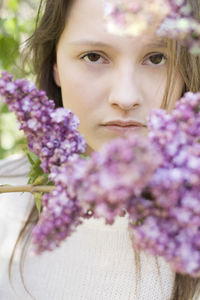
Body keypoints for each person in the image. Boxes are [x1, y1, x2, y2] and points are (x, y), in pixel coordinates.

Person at [0, 0, 200, 299]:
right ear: (55, 65)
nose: (125, 96)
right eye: (94, 56)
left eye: (157, 58)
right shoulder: (9, 198)